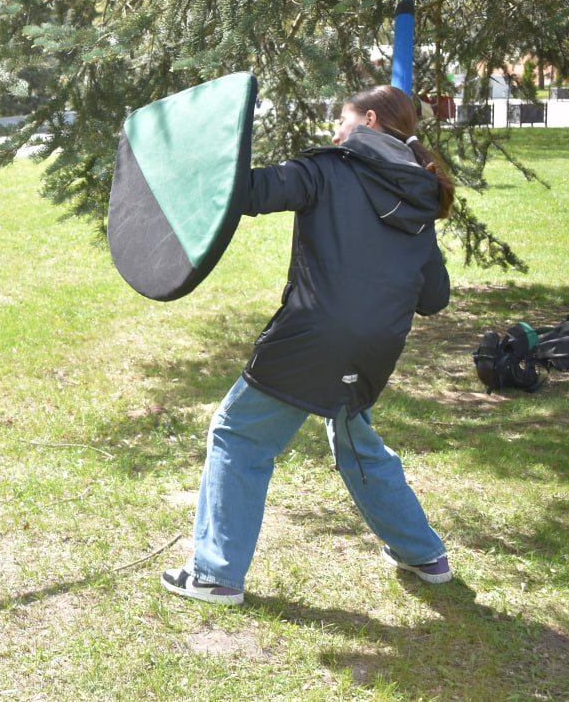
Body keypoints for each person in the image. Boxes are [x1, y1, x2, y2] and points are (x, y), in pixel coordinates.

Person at [162, 84, 457, 607]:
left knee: (238, 434)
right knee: (357, 440)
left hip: (313, 336)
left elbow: (246, 193)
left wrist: (195, 156)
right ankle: (424, 554)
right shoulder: (420, 189)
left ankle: (215, 575)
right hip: (376, 347)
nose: (336, 133)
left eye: (341, 121)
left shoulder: (326, 169)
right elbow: (434, 297)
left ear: (368, 120)